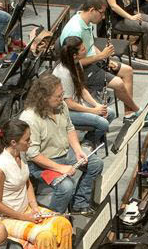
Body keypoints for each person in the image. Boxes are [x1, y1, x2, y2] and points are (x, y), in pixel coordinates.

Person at [0, 120, 72, 249]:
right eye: (27, 140)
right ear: (13, 142)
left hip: (26, 210)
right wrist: (25, 217)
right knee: (44, 236)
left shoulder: (21, 154)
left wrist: (34, 207)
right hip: (6, 218)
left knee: (62, 223)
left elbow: (27, 183)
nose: (31, 142)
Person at [21, 75, 100, 215]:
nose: (62, 99)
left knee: (95, 163)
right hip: (41, 164)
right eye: (58, 96)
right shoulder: (30, 118)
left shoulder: (61, 105)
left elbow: (69, 128)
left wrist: (78, 150)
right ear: (44, 98)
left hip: (64, 153)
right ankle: (54, 218)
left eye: (62, 94)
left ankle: (79, 203)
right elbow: (33, 155)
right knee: (66, 186)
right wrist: (60, 168)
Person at [55, 0, 139, 115]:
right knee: (118, 83)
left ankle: (128, 113)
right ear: (92, 10)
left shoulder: (86, 21)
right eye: (101, 13)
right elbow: (74, 62)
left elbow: (90, 46)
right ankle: (136, 109)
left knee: (128, 71)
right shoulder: (75, 30)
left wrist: (105, 59)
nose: (103, 17)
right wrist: (101, 56)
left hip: (93, 61)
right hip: (82, 68)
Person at [54, 36, 116, 145]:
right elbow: (68, 104)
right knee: (103, 124)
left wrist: (97, 105)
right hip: (64, 112)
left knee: (110, 113)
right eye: (82, 49)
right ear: (74, 55)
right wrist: (93, 111)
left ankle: (89, 140)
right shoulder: (64, 74)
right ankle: (87, 144)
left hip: (77, 104)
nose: (86, 50)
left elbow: (81, 88)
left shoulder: (77, 64)